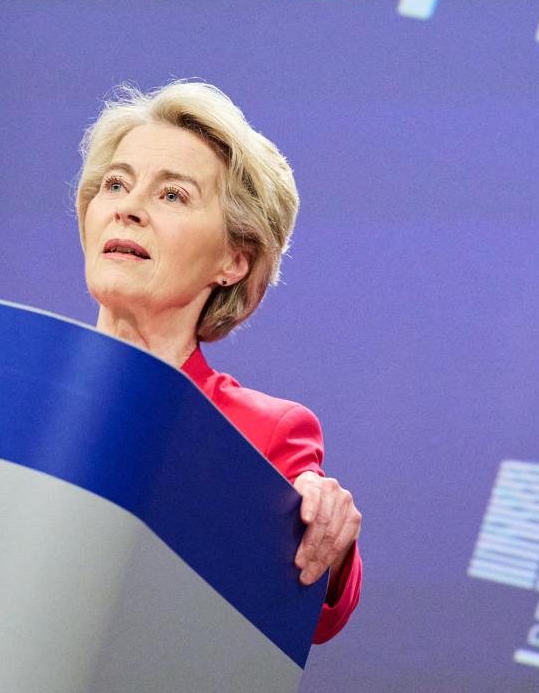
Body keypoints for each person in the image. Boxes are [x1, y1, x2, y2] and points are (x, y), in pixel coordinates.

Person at [75, 80, 361, 643]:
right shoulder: (6, 373)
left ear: (234, 260)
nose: (128, 209)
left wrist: (325, 531)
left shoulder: (262, 432)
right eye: (116, 184)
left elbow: (312, 613)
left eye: (172, 196)